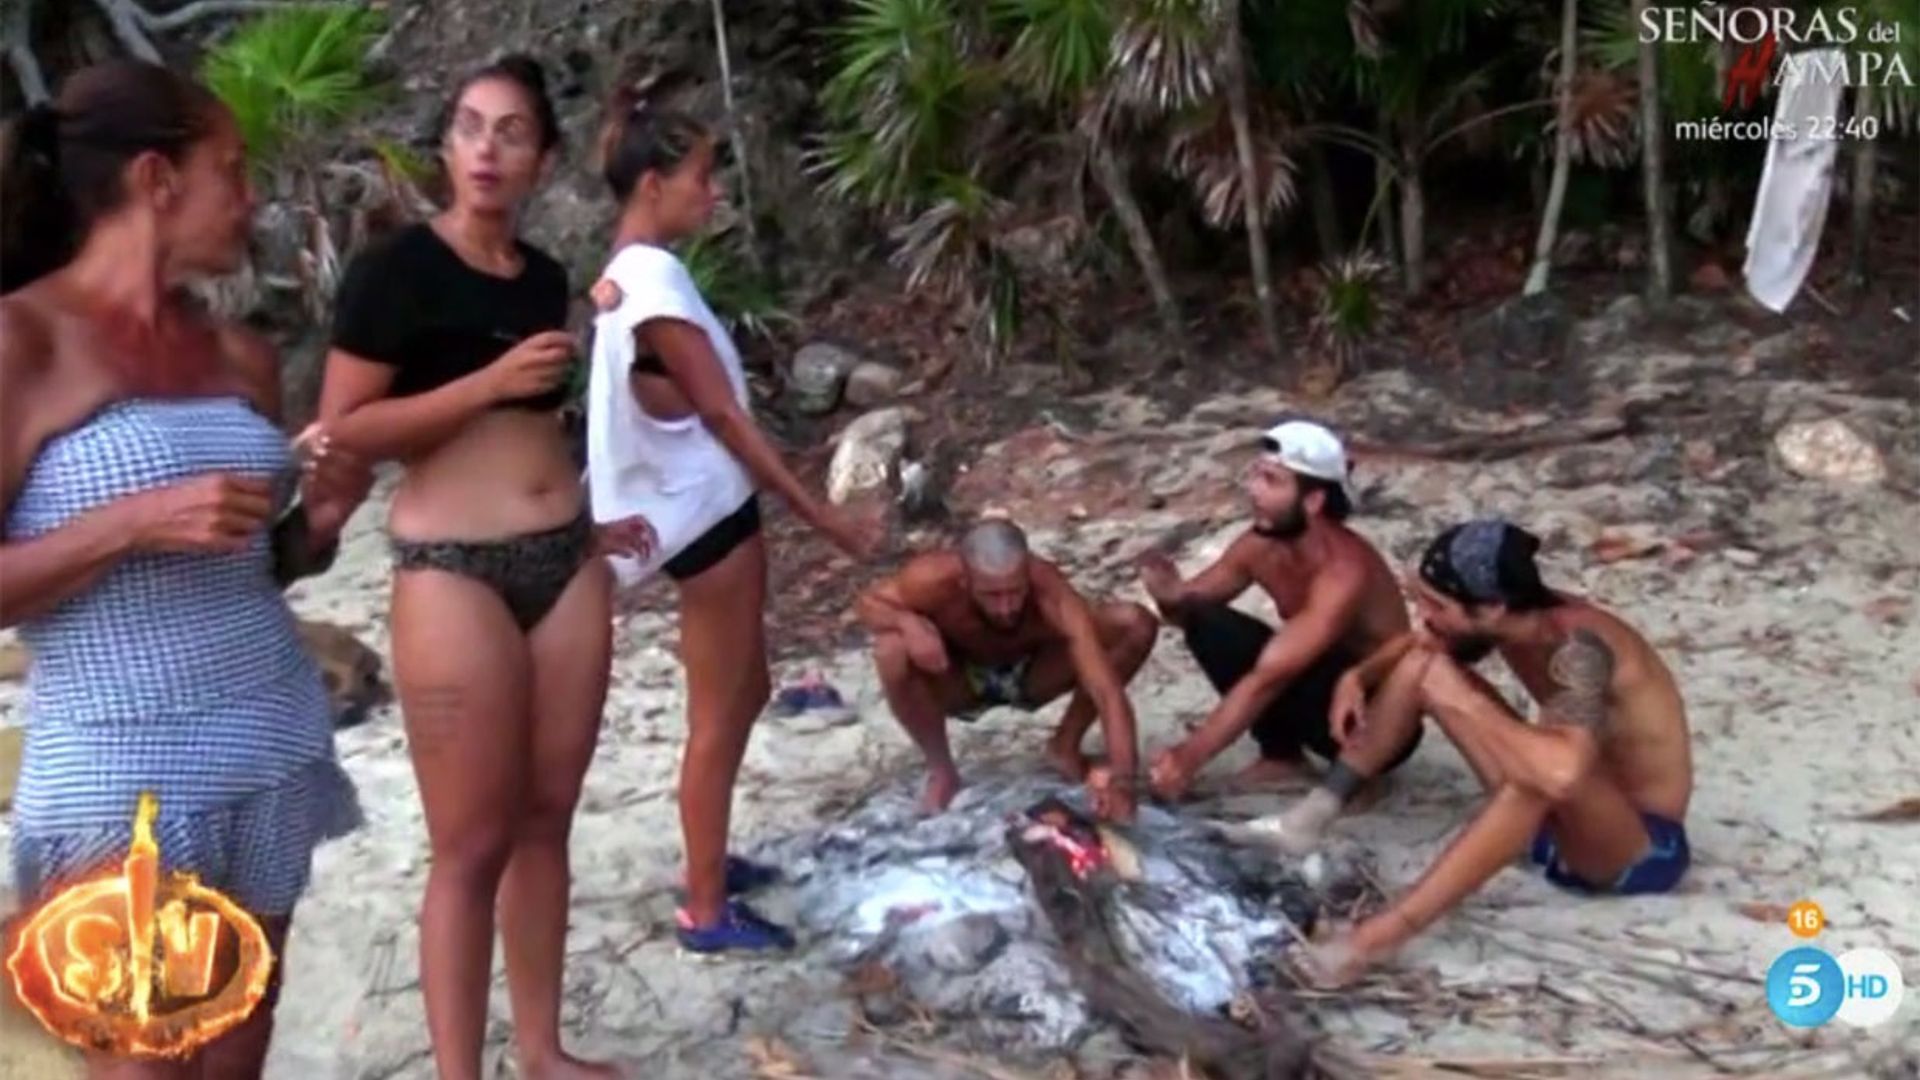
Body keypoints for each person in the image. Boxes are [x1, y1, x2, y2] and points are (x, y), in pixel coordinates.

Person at [0, 60, 365, 1078]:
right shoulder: (21, 339)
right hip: (119, 775)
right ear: (157, 179)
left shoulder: (241, 355)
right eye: (233, 170)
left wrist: (319, 527)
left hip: (270, 747)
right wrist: (127, 522)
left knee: (237, 1060)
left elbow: (257, 563)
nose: (252, 201)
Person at [316, 57, 634, 1080]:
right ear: (446, 147)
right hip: (452, 567)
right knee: (470, 846)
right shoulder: (395, 271)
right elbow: (344, 429)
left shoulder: (542, 276)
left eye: (509, 133)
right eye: (468, 127)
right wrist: (489, 382)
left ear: (541, 158)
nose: (487, 149)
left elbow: (537, 427)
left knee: (548, 819)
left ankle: (540, 1050)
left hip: (565, 559)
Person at [584, 92, 879, 955]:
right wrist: (823, 518)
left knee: (746, 690)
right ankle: (704, 910)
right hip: (706, 521)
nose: (713, 195)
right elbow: (726, 418)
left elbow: (661, 396)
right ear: (652, 182)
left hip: (699, 508)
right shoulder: (652, 281)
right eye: (701, 177)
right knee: (719, 715)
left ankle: (707, 860)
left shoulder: (623, 276)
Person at [1297, 519, 1693, 986]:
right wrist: (1358, 676)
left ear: (1492, 608)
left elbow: (1563, 775)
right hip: (1555, 828)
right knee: (1425, 665)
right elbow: (1421, 643)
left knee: (1537, 777)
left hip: (1636, 848)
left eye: (1437, 605)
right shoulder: (1513, 620)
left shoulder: (1584, 648)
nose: (1424, 615)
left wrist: (1464, 701)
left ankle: (1376, 940)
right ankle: (1309, 817)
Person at [1137, 420, 1423, 803]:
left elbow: (1270, 677)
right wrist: (1168, 594)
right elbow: (1186, 610)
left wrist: (1188, 757)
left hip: (1377, 715)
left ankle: (1359, 774)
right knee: (1207, 619)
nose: (1253, 490)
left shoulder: (1344, 570)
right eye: (1256, 476)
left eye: (1271, 481)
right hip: (1312, 683)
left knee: (1278, 666)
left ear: (1313, 502)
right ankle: (1283, 757)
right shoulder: (1260, 544)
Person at [856, 519, 1158, 819]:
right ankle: (942, 771)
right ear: (965, 581)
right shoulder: (931, 579)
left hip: (1033, 675)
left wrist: (1123, 782)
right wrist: (907, 624)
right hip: (959, 678)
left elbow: (1106, 691)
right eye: (991, 596)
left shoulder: (1051, 590)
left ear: (1027, 575)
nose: (1006, 608)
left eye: (1015, 592)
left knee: (1134, 623)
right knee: (891, 650)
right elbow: (868, 603)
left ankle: (1065, 745)